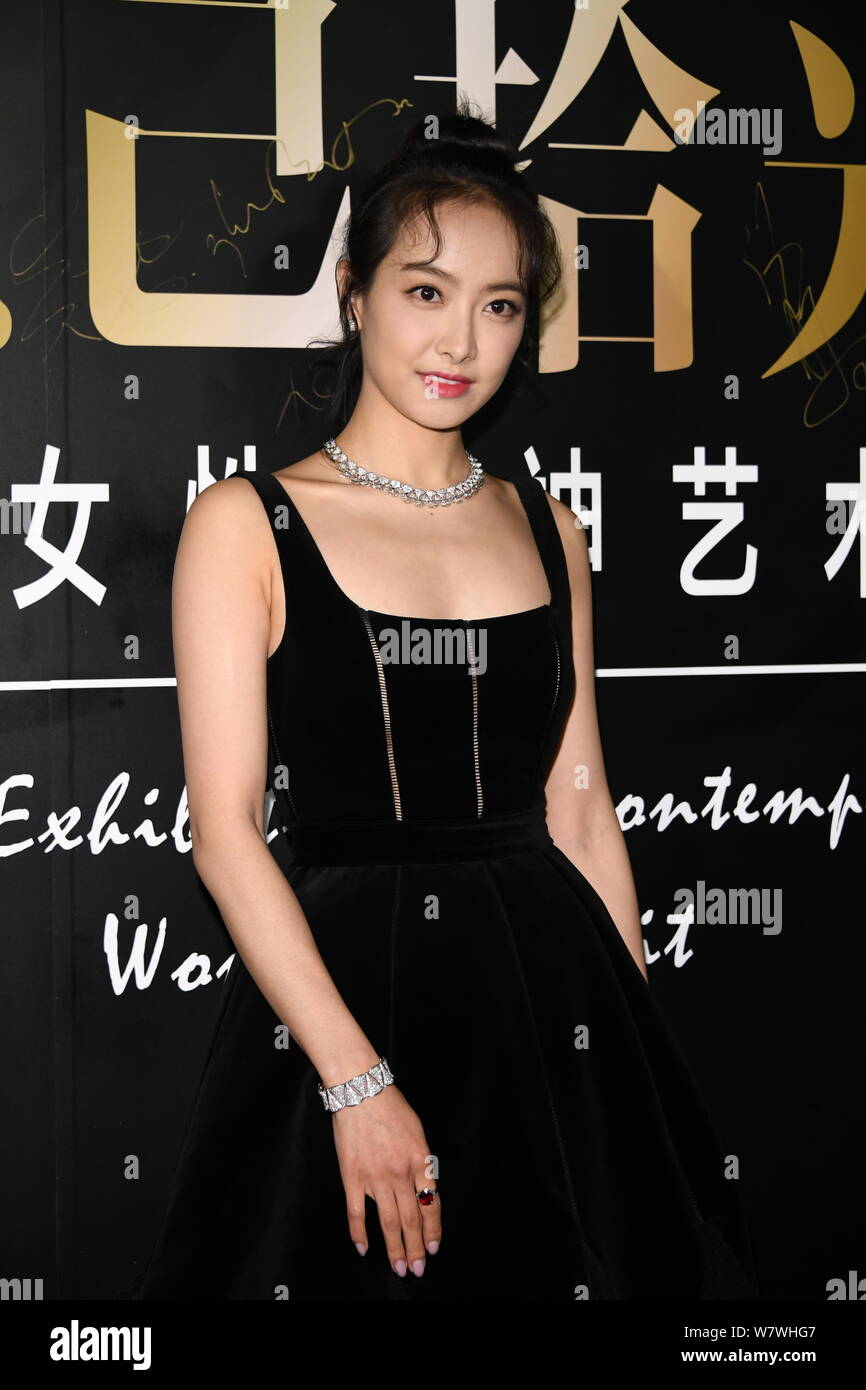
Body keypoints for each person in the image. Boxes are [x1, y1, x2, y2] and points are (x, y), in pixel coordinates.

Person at [130, 103, 760, 1301]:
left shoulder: (546, 528)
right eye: (425, 291)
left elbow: (581, 810)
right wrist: (355, 1082)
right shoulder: (246, 524)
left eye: (500, 305)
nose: (461, 340)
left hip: (550, 1002)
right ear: (353, 292)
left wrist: (632, 1064)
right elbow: (224, 833)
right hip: (340, 1000)